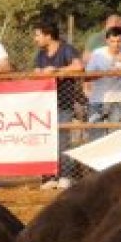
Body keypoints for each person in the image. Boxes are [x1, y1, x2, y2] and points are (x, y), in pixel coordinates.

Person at [32, 21, 83, 190]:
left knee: (63, 139)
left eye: (38, 35)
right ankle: (49, 175)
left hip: (64, 101)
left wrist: (57, 71)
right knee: (47, 139)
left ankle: (66, 175)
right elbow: (36, 71)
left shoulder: (66, 49)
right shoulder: (40, 54)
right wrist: (40, 73)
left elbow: (79, 66)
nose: (35, 39)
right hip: (45, 104)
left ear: (48, 35)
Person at [84, 26, 121, 126]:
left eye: (119, 41)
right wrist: (107, 73)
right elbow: (87, 76)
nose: (116, 44)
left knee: (114, 133)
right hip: (98, 100)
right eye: (112, 41)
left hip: (117, 100)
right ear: (107, 41)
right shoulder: (98, 53)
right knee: (96, 134)